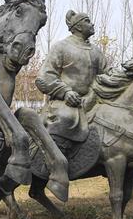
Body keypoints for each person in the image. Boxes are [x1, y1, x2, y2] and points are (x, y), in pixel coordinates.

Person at [36, 10, 109, 149]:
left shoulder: (96, 51)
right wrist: (66, 92)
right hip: (66, 103)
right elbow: (45, 76)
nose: (92, 23)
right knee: (64, 120)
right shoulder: (61, 47)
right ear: (79, 27)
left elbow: (107, 75)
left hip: (93, 102)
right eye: (87, 21)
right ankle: (55, 162)